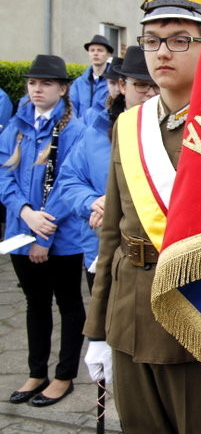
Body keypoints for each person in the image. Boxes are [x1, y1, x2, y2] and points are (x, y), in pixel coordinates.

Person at [82, 0, 201, 434]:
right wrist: (97, 332)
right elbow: (111, 238)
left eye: (179, 39)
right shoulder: (129, 127)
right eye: (151, 40)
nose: (162, 52)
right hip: (129, 319)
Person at [0, 54, 86, 407]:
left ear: (63, 89)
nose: (37, 89)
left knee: (68, 304)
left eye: (46, 83)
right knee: (35, 304)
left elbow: (70, 185)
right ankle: (37, 372)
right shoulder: (17, 125)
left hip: (61, 239)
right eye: (33, 83)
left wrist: (44, 235)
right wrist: (24, 212)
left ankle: (64, 376)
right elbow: (4, 174)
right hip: (21, 233)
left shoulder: (74, 129)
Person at [55, 47, 158, 291]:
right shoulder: (95, 132)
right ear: (122, 85)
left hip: (156, 253)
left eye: (156, 86)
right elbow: (68, 180)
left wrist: (114, 202)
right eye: (141, 85)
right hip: (102, 250)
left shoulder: (175, 131)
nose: (150, 94)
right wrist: (93, 202)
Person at [71, 34, 114, 119]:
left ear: (108, 54)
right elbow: (71, 107)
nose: (95, 53)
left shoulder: (113, 82)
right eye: (92, 50)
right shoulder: (79, 83)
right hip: (80, 129)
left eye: (100, 50)